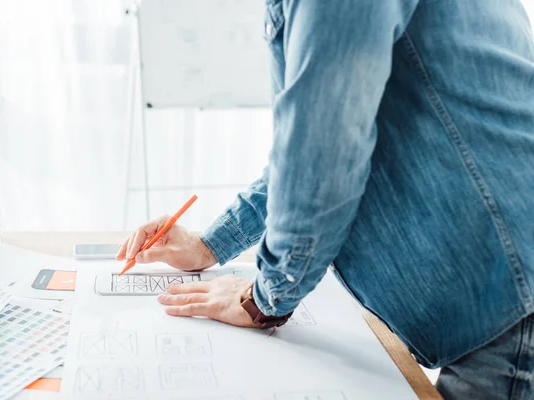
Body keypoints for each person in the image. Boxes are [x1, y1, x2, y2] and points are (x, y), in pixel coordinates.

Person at [117, 0, 534, 398]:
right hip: (501, 289)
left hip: (506, 295)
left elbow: (323, 155)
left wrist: (265, 299)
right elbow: (315, 148)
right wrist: (211, 245)